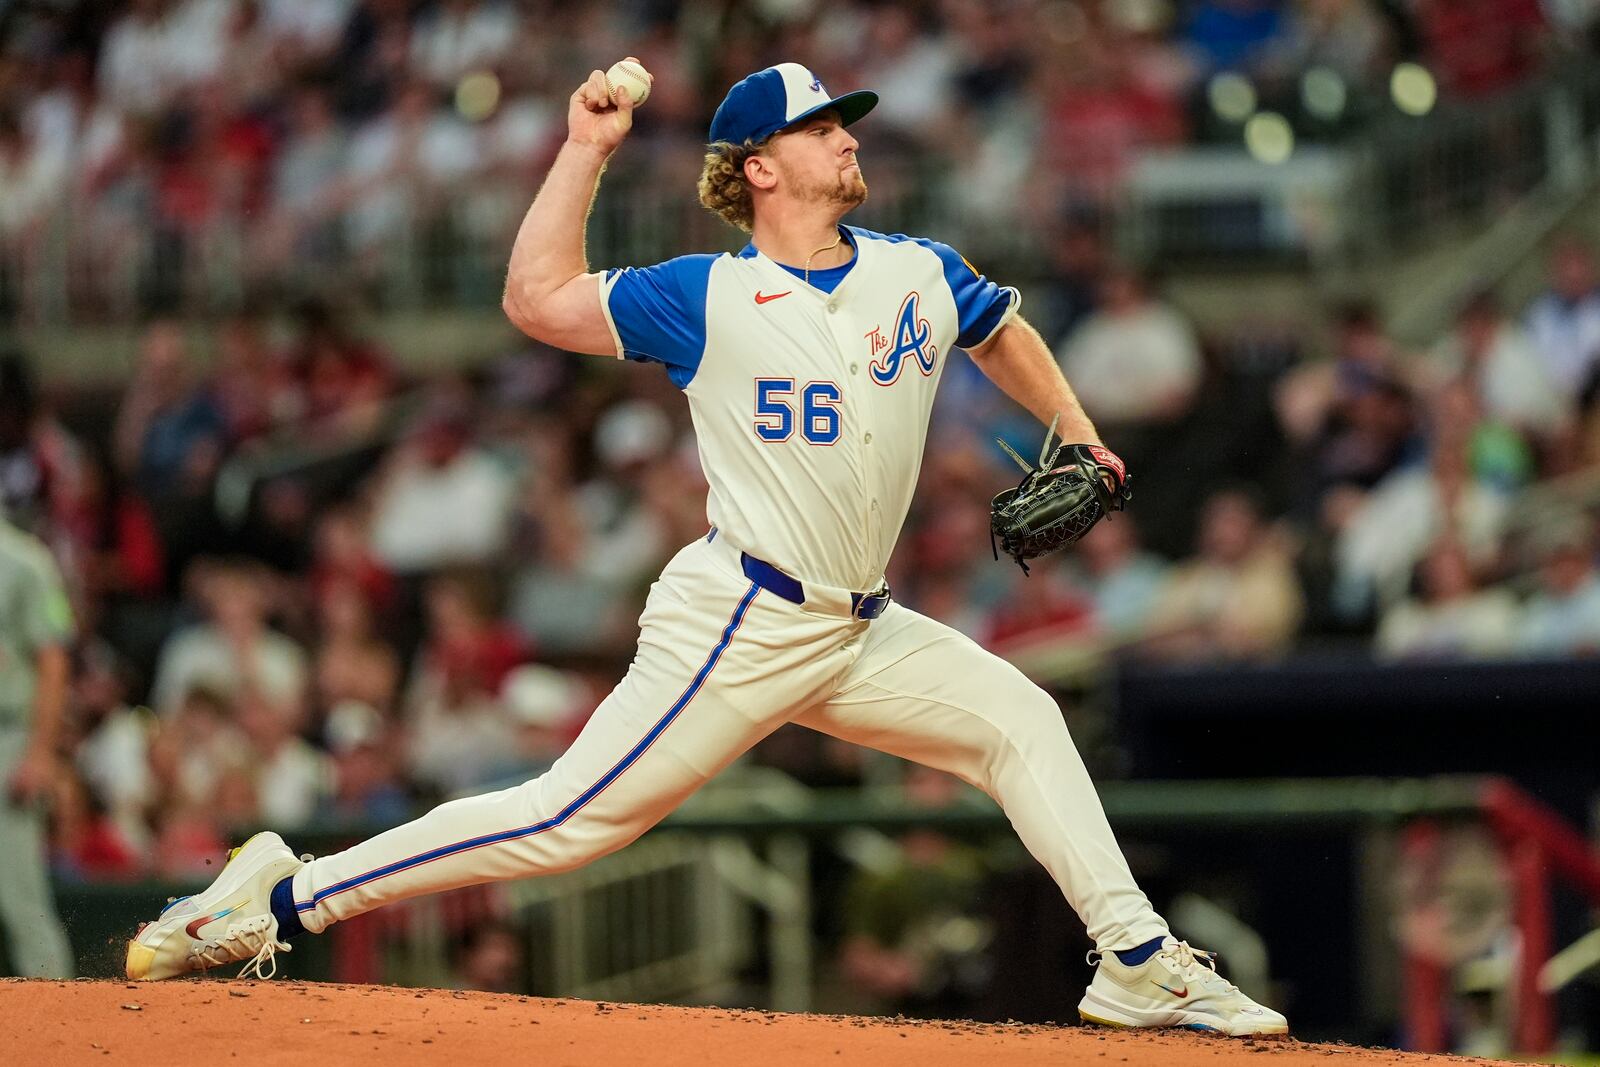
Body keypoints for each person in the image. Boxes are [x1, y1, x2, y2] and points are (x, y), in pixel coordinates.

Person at [125, 59, 1286, 1037]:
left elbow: (1000, 327)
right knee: (565, 818)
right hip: (745, 612)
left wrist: (1074, 430)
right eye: (821, 127)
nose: (845, 138)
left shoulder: (912, 269)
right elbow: (535, 299)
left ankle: (1133, 952)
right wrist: (584, 147)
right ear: (760, 167)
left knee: (1019, 720)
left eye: (844, 123)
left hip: (857, 622)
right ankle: (279, 900)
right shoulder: (709, 295)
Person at [0, 506, 77, 977]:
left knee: (18, 895)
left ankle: (59, 1023)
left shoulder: (25, 560)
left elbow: (53, 661)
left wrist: (40, 753)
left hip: (7, 738)